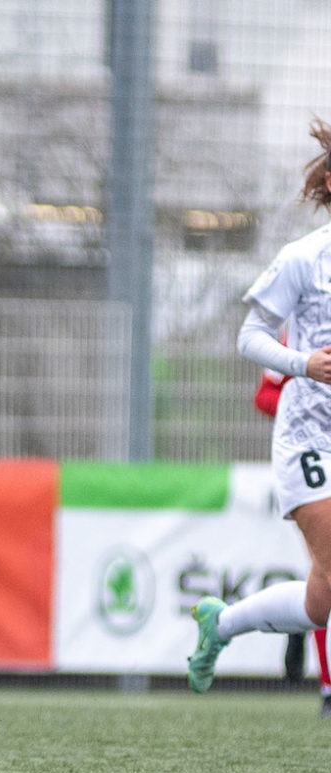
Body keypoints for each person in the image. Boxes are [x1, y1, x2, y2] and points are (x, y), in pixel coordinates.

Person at [189, 116, 331, 696]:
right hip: (309, 438)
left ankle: (220, 623)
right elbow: (250, 335)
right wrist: (304, 363)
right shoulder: (304, 257)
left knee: (321, 602)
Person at [253, 361, 331, 715]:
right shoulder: (300, 339)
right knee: (326, 573)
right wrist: (302, 401)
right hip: (314, 467)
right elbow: (264, 395)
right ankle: (328, 687)